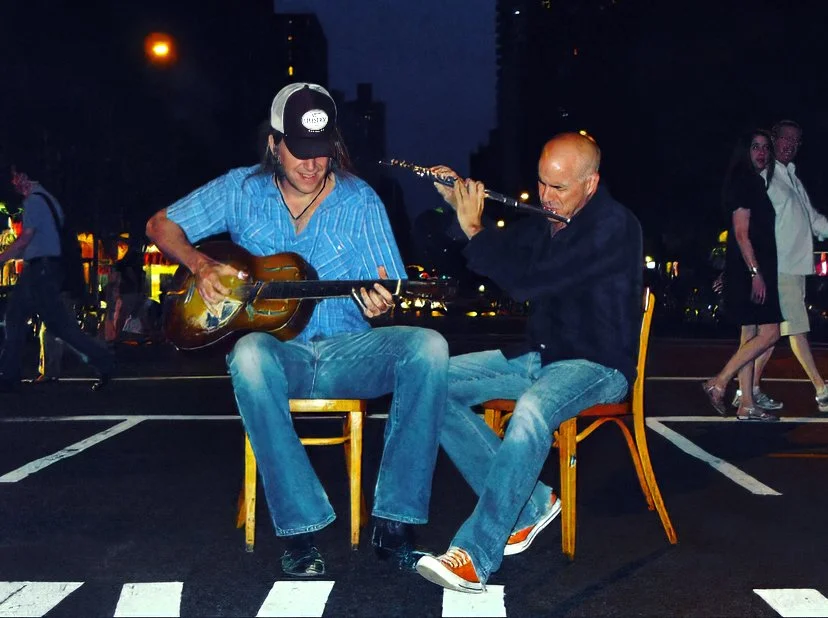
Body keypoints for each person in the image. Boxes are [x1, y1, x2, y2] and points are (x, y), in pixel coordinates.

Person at [145, 82, 448, 577]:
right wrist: (201, 264)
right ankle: (300, 529)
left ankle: (394, 522)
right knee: (247, 354)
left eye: (323, 152)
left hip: (348, 352)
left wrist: (380, 308)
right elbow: (160, 225)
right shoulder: (239, 189)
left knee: (429, 348)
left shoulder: (361, 200)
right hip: (276, 358)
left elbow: (387, 295)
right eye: (300, 152)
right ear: (273, 143)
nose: (312, 165)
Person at [415, 133, 642, 593]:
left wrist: (475, 228)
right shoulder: (548, 220)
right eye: (542, 183)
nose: (546, 196)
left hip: (597, 365)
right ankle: (534, 505)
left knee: (532, 411)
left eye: (559, 188)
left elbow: (528, 282)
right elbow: (495, 258)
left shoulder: (613, 227)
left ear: (591, 184)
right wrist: (457, 203)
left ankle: (476, 556)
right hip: (540, 359)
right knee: (429, 382)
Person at [0, 168, 114, 393]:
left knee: (20, 317)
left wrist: (2, 258)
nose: (14, 183)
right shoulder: (48, 200)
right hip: (47, 268)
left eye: (16, 177)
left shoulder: (34, 201)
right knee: (53, 324)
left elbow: (26, 239)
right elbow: (42, 241)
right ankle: (104, 361)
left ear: (24, 177)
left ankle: (9, 375)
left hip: (40, 270)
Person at [745, 120, 828, 415]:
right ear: (774, 140)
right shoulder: (766, 177)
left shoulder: (790, 177)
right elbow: (752, 221)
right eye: (785, 140)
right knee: (796, 329)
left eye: (796, 141)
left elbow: (813, 220)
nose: (790, 145)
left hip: (795, 266)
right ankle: (822, 390)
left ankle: (747, 389)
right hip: (779, 266)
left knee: (772, 333)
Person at [701, 130, 782, 421]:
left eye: (765, 148)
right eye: (755, 147)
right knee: (770, 332)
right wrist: (755, 273)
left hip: (750, 268)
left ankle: (747, 403)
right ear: (744, 151)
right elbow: (740, 233)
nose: (762, 153)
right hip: (754, 269)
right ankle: (719, 382)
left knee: (749, 334)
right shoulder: (744, 182)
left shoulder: (754, 183)